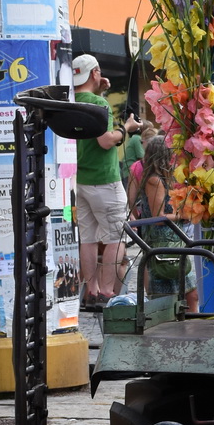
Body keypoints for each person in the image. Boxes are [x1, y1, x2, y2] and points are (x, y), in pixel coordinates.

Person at [73, 54, 139, 308]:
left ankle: (92, 289)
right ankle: (108, 291)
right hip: (105, 180)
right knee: (116, 237)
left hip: (81, 180)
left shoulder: (72, 102)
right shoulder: (99, 105)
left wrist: (97, 90)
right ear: (95, 73)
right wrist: (128, 128)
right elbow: (105, 140)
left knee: (88, 238)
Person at [127, 134, 198, 311]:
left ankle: (189, 327)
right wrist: (182, 214)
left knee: (189, 295)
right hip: (164, 244)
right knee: (173, 299)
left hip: (173, 242)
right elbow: (159, 217)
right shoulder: (155, 181)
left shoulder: (161, 178)